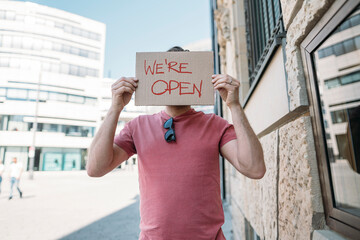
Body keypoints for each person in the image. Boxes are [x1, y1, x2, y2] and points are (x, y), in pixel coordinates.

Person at [86, 46, 265, 240]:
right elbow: (96, 168)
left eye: (184, 72)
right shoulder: (137, 126)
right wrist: (115, 108)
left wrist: (234, 105)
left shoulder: (215, 125)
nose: (176, 79)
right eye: (170, 72)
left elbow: (254, 168)